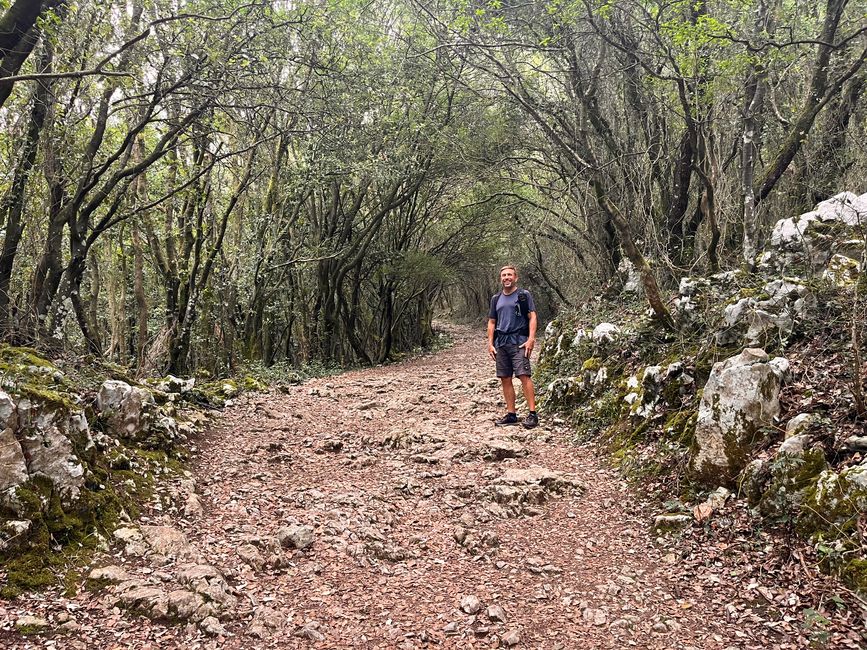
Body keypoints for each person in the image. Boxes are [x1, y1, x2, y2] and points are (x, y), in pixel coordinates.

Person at [487, 265, 538, 428]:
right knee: (505, 377)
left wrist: (531, 339)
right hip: (501, 342)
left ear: (516, 278)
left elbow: (532, 316)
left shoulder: (524, 296)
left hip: (519, 341)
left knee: (524, 375)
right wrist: (490, 343)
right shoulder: (496, 298)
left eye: (509, 275)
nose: (506, 277)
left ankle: (532, 414)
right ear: (500, 279)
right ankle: (511, 414)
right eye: (503, 275)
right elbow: (492, 322)